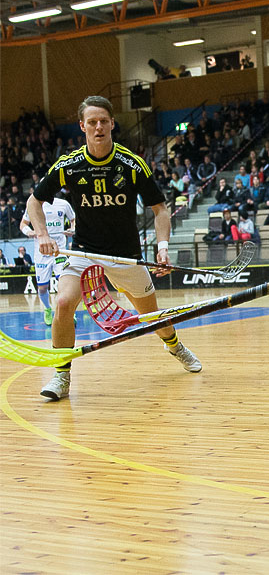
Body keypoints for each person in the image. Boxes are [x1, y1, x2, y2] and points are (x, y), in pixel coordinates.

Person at [27, 95, 201, 401]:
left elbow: (160, 210)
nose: (98, 128)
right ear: (82, 126)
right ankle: (61, 374)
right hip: (83, 252)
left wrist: (162, 248)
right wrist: (42, 234)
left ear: (112, 124)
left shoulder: (132, 164)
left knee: (153, 316)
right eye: (91, 122)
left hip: (126, 256)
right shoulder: (69, 165)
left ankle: (175, 346)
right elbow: (34, 201)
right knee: (64, 304)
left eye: (103, 121)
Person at [20, 195, 75, 325]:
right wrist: (29, 232)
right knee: (43, 288)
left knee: (64, 283)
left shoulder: (63, 204)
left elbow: (74, 219)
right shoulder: (33, 204)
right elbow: (23, 224)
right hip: (41, 253)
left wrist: (73, 229)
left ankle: (68, 313)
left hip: (60, 250)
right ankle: (47, 308)